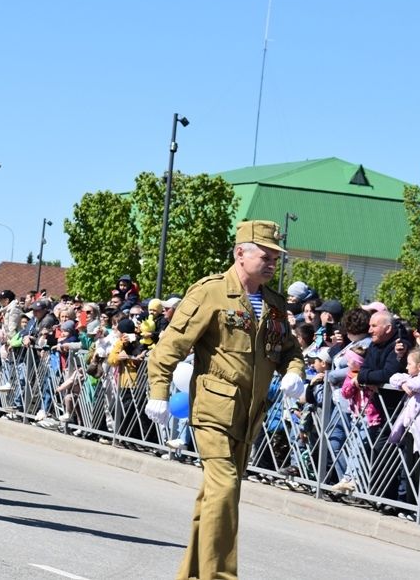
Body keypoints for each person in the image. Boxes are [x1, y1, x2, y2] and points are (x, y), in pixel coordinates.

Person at [145, 220, 306, 580]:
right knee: (225, 487)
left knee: (213, 498)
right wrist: (159, 390)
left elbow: (289, 351)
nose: (271, 263)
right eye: (264, 255)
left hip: (250, 416)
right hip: (214, 410)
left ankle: (191, 575)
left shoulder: (275, 305)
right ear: (240, 253)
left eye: (275, 258)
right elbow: (170, 347)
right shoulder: (210, 292)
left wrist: (295, 371)